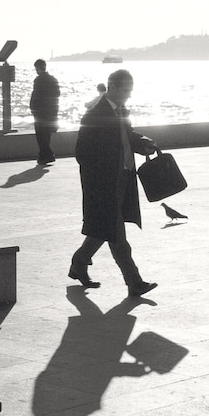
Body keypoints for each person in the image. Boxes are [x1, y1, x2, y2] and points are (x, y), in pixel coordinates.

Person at [69, 68, 158, 297]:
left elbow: (127, 137)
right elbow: (82, 153)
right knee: (117, 235)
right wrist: (103, 175)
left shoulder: (120, 111)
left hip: (123, 179)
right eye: (126, 90)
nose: (128, 95)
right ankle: (134, 282)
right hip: (104, 185)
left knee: (104, 229)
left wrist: (144, 143)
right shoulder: (94, 116)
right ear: (113, 88)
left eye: (131, 90)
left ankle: (79, 263)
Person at [29, 59, 61, 165]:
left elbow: (36, 96)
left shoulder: (38, 80)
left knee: (40, 134)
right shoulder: (53, 80)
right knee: (46, 134)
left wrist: (33, 108)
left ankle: (46, 154)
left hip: (40, 112)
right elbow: (57, 95)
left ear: (38, 68)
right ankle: (44, 155)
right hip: (50, 111)